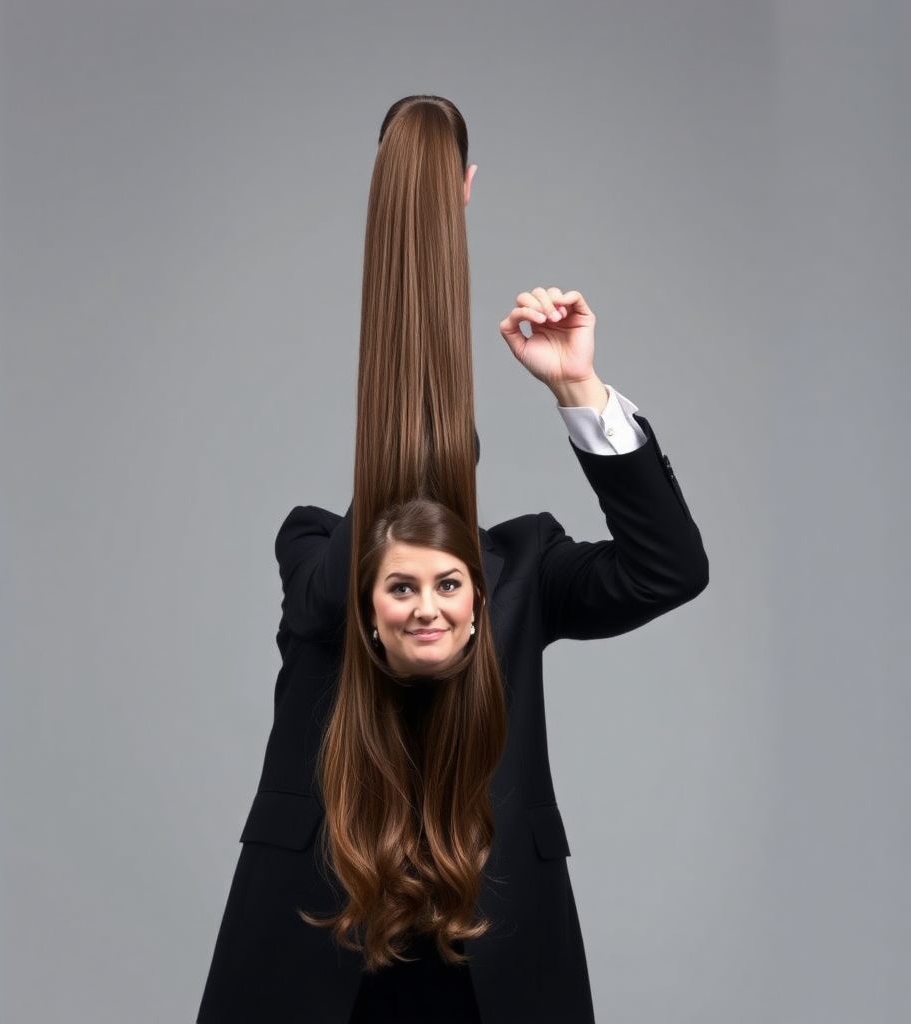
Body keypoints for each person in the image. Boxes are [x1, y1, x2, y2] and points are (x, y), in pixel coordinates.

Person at [197, 96, 708, 1024]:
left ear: (479, 599)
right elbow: (329, 599)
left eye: (446, 587)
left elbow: (669, 569)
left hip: (493, 964)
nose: (425, 608)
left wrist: (577, 388)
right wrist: (431, 441)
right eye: (400, 590)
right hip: (319, 955)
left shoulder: (525, 570)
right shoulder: (316, 551)